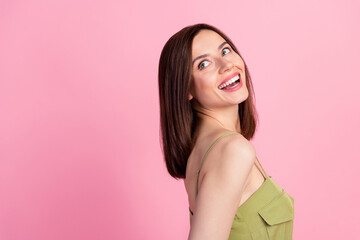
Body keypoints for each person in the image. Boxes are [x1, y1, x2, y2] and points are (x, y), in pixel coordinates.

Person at [158, 23, 294, 240]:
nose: (226, 64)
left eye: (225, 50)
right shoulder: (232, 150)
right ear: (186, 89)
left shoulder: (205, 147)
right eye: (203, 64)